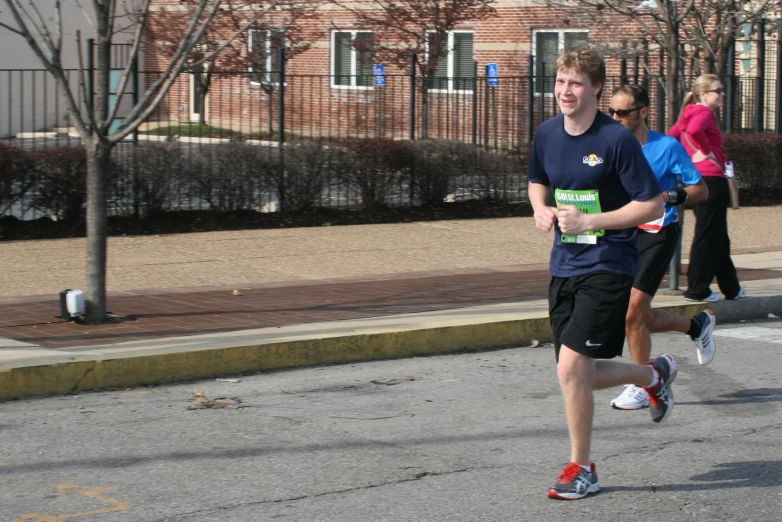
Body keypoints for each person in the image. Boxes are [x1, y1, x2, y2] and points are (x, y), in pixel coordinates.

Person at [528, 47, 675, 501]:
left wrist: (590, 221)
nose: (565, 91)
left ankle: (582, 467)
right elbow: (537, 179)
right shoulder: (548, 133)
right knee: (576, 375)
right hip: (565, 263)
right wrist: (540, 209)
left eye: (575, 83)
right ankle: (652, 376)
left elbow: (651, 204)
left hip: (609, 263)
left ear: (595, 89)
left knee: (572, 369)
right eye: (560, 82)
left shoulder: (616, 140)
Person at [607, 85, 717, 411]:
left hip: (658, 232)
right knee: (637, 316)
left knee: (631, 314)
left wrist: (670, 196)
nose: (615, 118)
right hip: (622, 235)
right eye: (612, 111)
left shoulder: (666, 147)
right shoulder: (610, 146)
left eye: (623, 112)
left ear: (643, 112)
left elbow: (700, 189)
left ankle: (642, 384)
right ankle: (695, 325)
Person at [669, 74, 746, 302]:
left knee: (718, 236)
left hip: (698, 179)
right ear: (704, 94)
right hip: (711, 179)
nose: (722, 94)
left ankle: (731, 288)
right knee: (708, 235)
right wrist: (706, 150)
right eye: (717, 90)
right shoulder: (703, 112)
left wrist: (688, 158)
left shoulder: (688, 112)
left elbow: (674, 134)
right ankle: (697, 289)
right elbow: (693, 131)